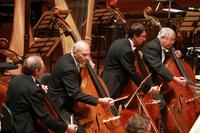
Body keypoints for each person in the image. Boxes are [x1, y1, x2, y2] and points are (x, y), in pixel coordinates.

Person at [47, 40, 114, 133]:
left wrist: (87, 66)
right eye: (84, 55)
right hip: (59, 106)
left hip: (68, 102)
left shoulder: (71, 58)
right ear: (75, 52)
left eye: (88, 54)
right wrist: (100, 100)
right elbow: (75, 94)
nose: (87, 58)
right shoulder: (68, 67)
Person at [6, 55, 77, 133]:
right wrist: (66, 128)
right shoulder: (34, 90)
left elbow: (26, 91)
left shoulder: (14, 79)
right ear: (36, 71)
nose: (44, 70)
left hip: (11, 124)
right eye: (43, 68)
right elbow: (45, 118)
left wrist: (39, 88)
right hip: (25, 128)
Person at [102, 23, 160, 99]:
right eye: (143, 36)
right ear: (135, 36)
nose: (145, 39)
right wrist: (149, 88)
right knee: (110, 108)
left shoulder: (120, 42)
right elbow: (132, 72)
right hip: (114, 84)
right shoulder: (127, 51)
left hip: (107, 79)